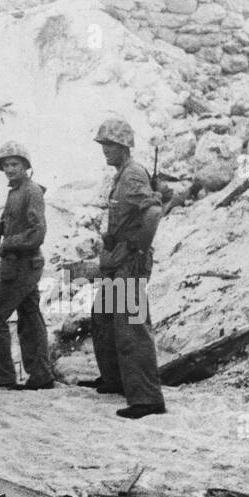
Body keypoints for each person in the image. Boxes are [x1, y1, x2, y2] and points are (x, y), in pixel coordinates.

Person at [86, 117, 166, 418]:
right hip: (116, 258)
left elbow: (153, 212)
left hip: (128, 260)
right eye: (104, 145)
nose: (105, 150)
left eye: (111, 145)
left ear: (124, 146)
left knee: (131, 326)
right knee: (104, 317)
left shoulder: (132, 175)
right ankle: (117, 379)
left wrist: (138, 247)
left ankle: (147, 398)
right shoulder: (122, 174)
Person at [0, 141, 52, 391]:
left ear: (25, 166)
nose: (10, 169)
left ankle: (0, 375)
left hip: (22, 264)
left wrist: (9, 242)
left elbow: (38, 232)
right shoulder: (17, 191)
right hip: (20, 264)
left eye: (15, 164)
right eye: (6, 165)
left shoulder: (31, 192)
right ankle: (40, 374)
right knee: (30, 317)